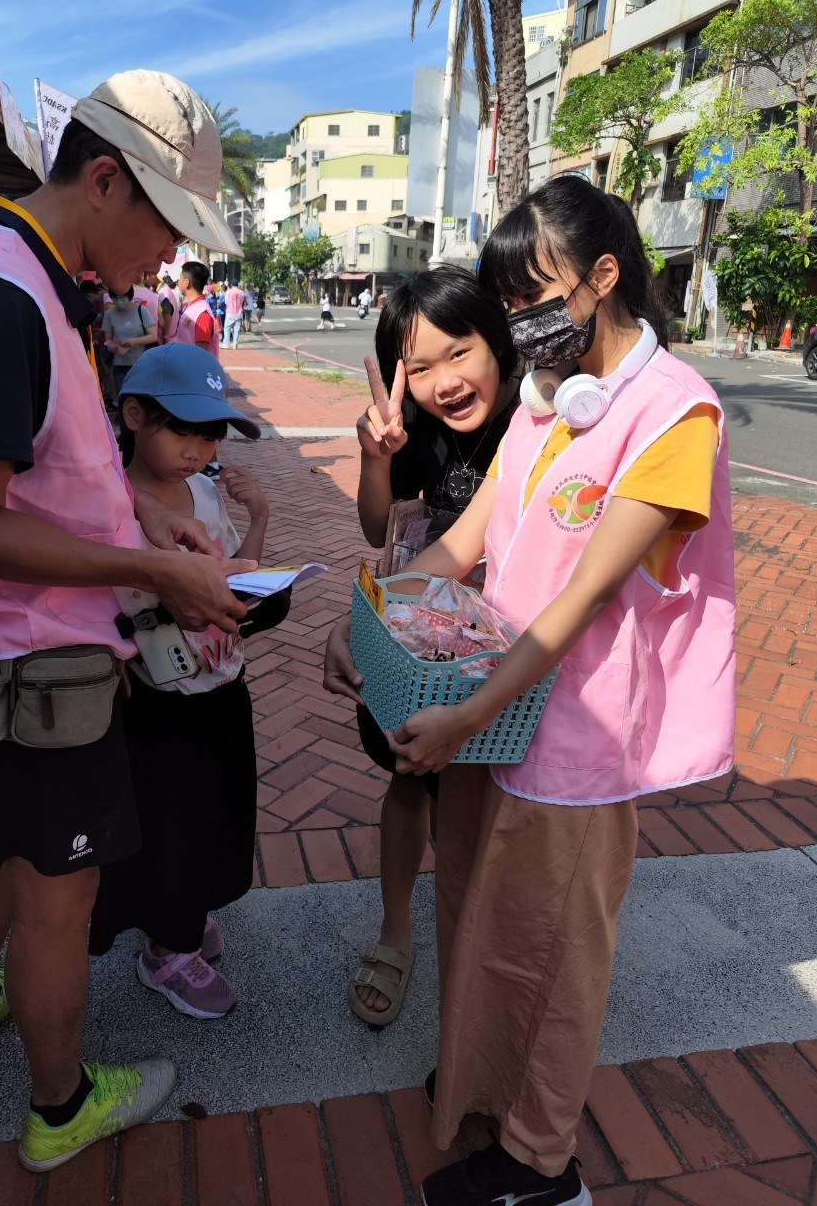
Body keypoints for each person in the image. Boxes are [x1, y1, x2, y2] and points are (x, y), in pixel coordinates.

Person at [325, 176, 736, 1206]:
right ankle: (479, 1090)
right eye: (507, 307)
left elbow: (584, 600)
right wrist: (366, 614)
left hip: (574, 745)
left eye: (532, 300)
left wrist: (463, 712)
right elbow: (465, 542)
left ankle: (541, 1166)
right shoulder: (547, 407)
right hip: (499, 720)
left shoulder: (676, 409)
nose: (520, 327)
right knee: (479, 917)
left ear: (603, 277)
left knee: (554, 960)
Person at [0, 69, 249, 1173]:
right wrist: (144, 562)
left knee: (0, 850)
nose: (169, 256)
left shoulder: (24, 278)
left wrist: (140, 511)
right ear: (103, 180)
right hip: (28, 657)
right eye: (167, 223)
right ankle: (60, 1103)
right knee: (60, 886)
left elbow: (37, 467)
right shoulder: (2, 298)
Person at [346, 267, 520, 1027]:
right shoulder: (413, 428)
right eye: (418, 367)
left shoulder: (538, 424)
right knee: (408, 780)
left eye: (460, 352)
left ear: (499, 341)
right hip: (426, 643)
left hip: (513, 649)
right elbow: (376, 528)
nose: (443, 381)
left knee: (485, 802)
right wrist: (377, 459)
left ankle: (472, 933)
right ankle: (395, 933)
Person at [89, 344, 266, 1017]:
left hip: (221, 686)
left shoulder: (204, 491)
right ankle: (167, 951)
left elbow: (227, 576)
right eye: (184, 430)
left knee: (214, 816)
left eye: (211, 433)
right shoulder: (111, 505)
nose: (198, 449)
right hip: (157, 700)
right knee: (169, 824)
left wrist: (260, 522)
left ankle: (181, 916)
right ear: (133, 415)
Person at [102, 284, 158, 396]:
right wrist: (111, 346)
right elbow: (107, 338)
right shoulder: (110, 314)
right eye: (115, 298)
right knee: (125, 396)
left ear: (129, 296)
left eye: (122, 297)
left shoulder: (141, 310)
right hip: (120, 363)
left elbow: (153, 336)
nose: (119, 301)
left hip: (141, 362)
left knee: (141, 396)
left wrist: (135, 341)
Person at [176, 260, 220, 356]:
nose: (177, 281)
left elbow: (201, 353)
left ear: (187, 282)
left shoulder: (202, 313)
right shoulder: (191, 307)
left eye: (180, 278)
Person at [158, 272, 182, 343]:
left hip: (167, 337)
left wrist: (166, 339)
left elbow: (167, 320)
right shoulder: (173, 292)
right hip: (176, 315)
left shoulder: (164, 293)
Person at [222, 279, 246, 349]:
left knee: (227, 328)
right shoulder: (241, 292)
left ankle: (226, 344)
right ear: (237, 285)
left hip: (230, 313)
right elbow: (242, 302)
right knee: (236, 329)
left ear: (231, 285)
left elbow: (226, 302)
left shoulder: (228, 292)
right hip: (238, 313)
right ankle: (235, 344)